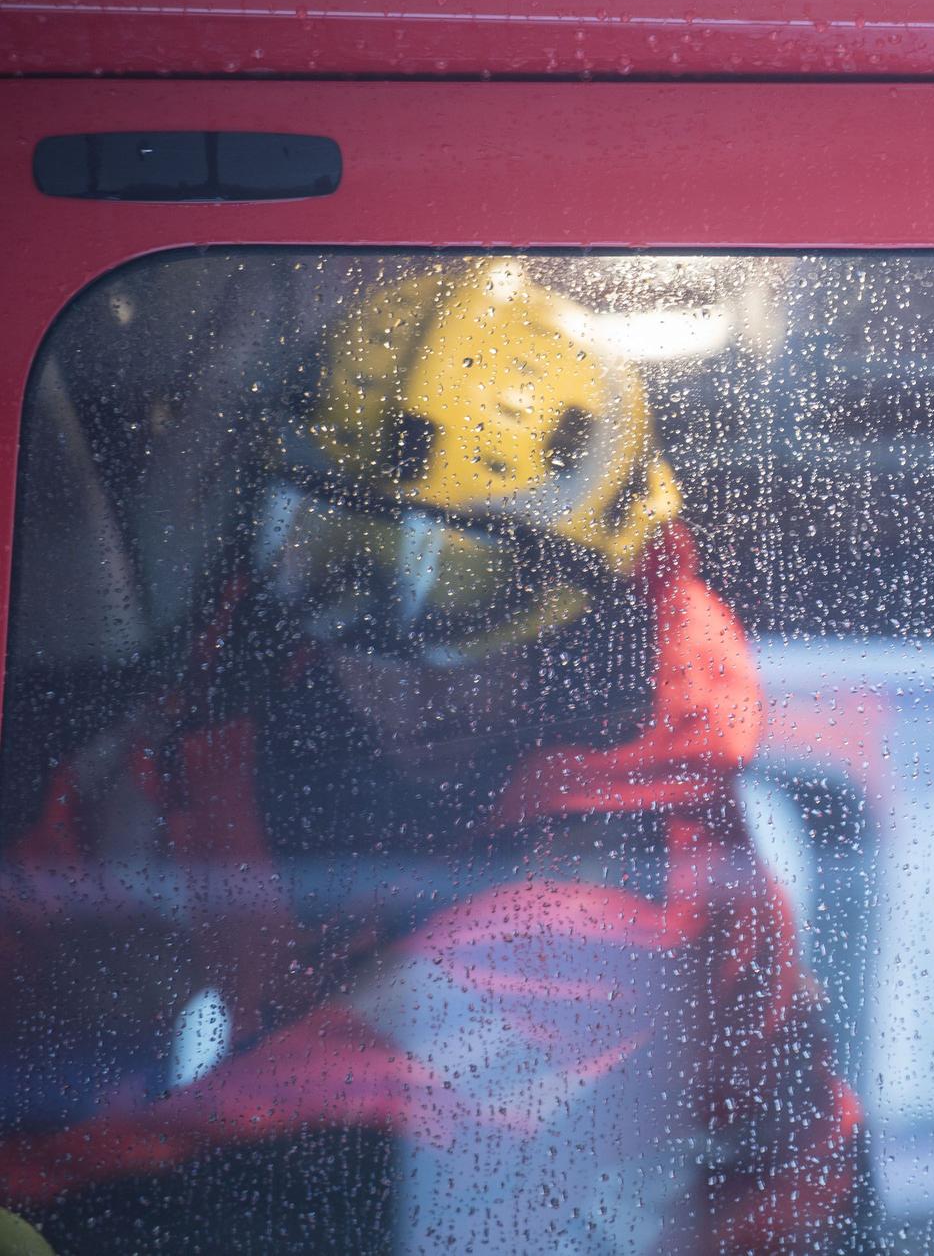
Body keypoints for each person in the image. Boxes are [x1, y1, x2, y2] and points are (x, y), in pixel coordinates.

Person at [0, 260, 865, 1255]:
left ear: (577, 618)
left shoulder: (624, 879)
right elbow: (48, 918)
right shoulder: (247, 711)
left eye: (465, 590)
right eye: (339, 568)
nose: (404, 677)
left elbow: (329, 1122)